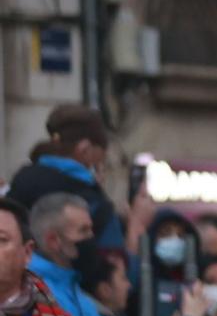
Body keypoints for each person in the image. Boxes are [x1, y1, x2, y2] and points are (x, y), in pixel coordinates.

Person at [4, 103, 154, 258]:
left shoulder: (21, 181)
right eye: (98, 164)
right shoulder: (93, 204)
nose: (100, 174)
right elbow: (115, 276)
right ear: (85, 150)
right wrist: (137, 225)